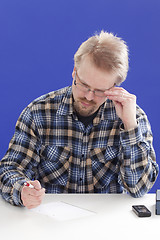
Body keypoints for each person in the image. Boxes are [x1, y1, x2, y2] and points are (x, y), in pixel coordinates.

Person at [0, 31, 159, 209]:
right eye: (83, 85)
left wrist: (130, 127)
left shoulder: (133, 117)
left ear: (114, 87)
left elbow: (138, 188)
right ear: (74, 72)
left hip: (107, 224)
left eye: (99, 90)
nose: (88, 97)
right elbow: (10, 169)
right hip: (49, 222)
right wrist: (22, 190)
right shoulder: (38, 113)